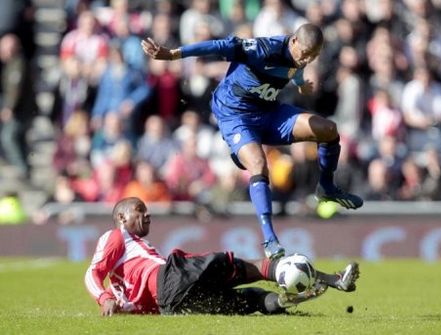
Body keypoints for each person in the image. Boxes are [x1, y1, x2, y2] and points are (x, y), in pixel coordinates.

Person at [141, 23, 364, 259]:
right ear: (294, 42)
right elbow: (219, 45)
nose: (306, 59)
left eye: (313, 56)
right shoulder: (263, 49)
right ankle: (269, 239)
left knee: (328, 129)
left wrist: (300, 84)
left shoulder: (300, 55)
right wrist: (174, 54)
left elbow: (293, 69)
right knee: (259, 164)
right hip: (236, 114)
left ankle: (327, 188)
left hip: (269, 112)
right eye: (305, 53)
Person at [84, 197, 360, 316]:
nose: (147, 214)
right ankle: (331, 279)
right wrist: (104, 297)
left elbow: (131, 300)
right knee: (240, 267)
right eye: (139, 209)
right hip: (170, 277)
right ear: (121, 217)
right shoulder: (116, 236)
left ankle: (284, 300)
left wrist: (115, 302)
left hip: (172, 305)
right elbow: (92, 273)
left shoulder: (123, 287)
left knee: (244, 302)